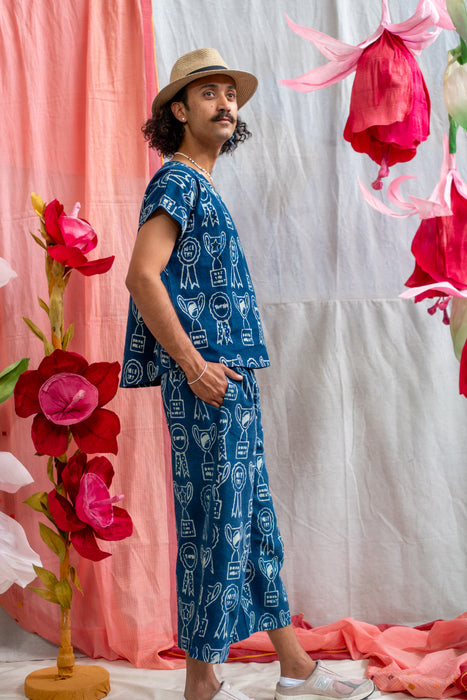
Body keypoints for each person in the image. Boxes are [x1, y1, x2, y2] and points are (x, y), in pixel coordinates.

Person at [122, 48, 375, 700]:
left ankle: (295, 667)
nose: (225, 104)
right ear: (179, 111)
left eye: (229, 93)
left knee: (251, 520)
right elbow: (142, 276)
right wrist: (193, 366)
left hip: (229, 379)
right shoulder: (176, 183)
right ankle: (200, 684)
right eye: (208, 93)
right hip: (206, 381)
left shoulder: (201, 186)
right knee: (216, 524)